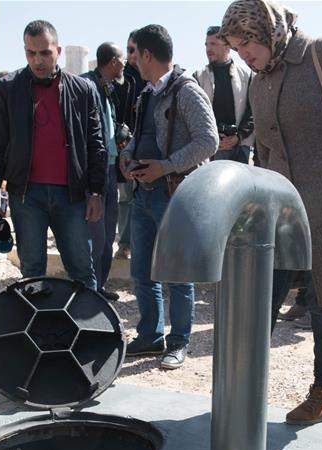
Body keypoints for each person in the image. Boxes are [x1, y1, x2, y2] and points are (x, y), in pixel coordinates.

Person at [220, 0, 322, 425]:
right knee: (260, 299)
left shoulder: (320, 53)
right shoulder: (259, 82)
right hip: (279, 208)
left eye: (247, 43)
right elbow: (266, 150)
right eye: (236, 48)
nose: (243, 55)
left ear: (266, 31)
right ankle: (243, 390)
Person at [118, 24, 218, 370]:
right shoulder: (147, 92)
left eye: (134, 52)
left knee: (178, 273)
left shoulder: (186, 91)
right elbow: (140, 134)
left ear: (147, 54)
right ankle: (150, 336)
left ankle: (178, 342)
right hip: (143, 194)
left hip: (174, 194)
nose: (131, 60)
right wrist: (128, 154)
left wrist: (166, 166)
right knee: (142, 272)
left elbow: (209, 141)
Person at [0, 20, 105, 290]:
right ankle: (36, 331)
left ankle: (90, 331)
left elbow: (96, 144)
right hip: (26, 197)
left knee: (82, 270)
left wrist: (96, 191)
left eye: (45, 53)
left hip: (71, 196)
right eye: (31, 53)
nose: (38, 60)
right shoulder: (8, 88)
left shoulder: (83, 90)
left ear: (58, 51)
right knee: (32, 273)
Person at [82, 42, 126, 300]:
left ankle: (99, 286)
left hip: (110, 168)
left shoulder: (108, 88)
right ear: (111, 62)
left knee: (109, 233)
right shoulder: (87, 85)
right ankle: (90, 288)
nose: (125, 64)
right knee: (95, 237)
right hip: (94, 172)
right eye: (121, 59)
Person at [194, 25, 254, 164]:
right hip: (211, 149)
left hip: (241, 147)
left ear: (227, 47)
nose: (208, 49)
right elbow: (196, 115)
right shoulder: (198, 77)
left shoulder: (247, 74)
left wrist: (238, 136)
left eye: (213, 44)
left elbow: (253, 111)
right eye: (206, 44)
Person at [113, 32, 147, 262]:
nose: (131, 55)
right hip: (125, 148)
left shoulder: (152, 76)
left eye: (134, 49)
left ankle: (147, 244)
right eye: (129, 50)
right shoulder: (119, 78)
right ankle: (124, 244)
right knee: (125, 198)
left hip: (149, 148)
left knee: (147, 199)